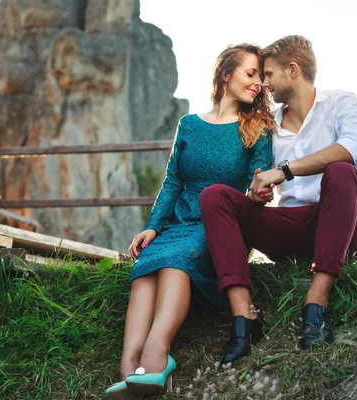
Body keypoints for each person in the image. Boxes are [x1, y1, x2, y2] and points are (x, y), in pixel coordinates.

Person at [105, 43, 275, 399]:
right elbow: (173, 182)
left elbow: (258, 182)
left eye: (261, 76)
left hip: (219, 227)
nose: (258, 83)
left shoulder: (256, 127)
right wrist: (153, 225)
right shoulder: (189, 125)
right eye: (250, 73)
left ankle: (156, 356)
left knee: (175, 264)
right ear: (226, 74)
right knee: (145, 270)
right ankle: (128, 369)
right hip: (178, 223)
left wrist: (260, 193)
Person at [200, 35, 357, 364]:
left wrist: (285, 171)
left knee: (341, 170)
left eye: (268, 74)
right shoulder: (267, 126)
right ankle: (244, 318)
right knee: (215, 197)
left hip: (341, 226)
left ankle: (315, 307)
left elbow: (354, 148)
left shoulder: (342, 103)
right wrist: (258, 192)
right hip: (289, 228)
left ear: (292, 70)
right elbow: (261, 178)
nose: (263, 84)